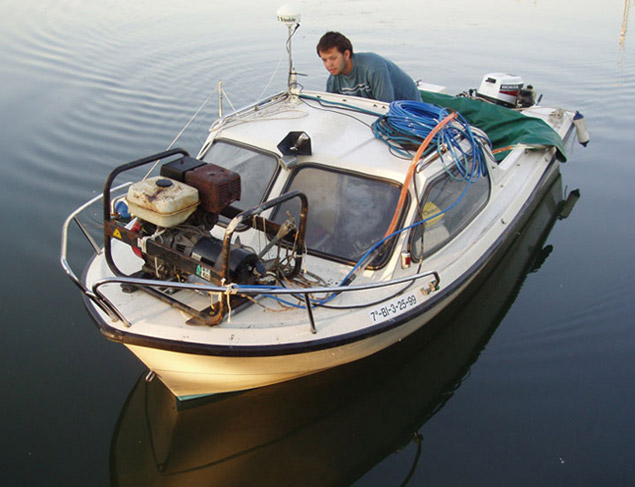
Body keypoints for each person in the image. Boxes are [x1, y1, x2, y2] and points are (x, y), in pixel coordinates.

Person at [316, 31, 421, 103]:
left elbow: (386, 106)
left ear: (346, 54)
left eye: (333, 58)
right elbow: (330, 107)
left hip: (410, 110)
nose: (329, 64)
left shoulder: (374, 67)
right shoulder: (333, 79)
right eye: (324, 60)